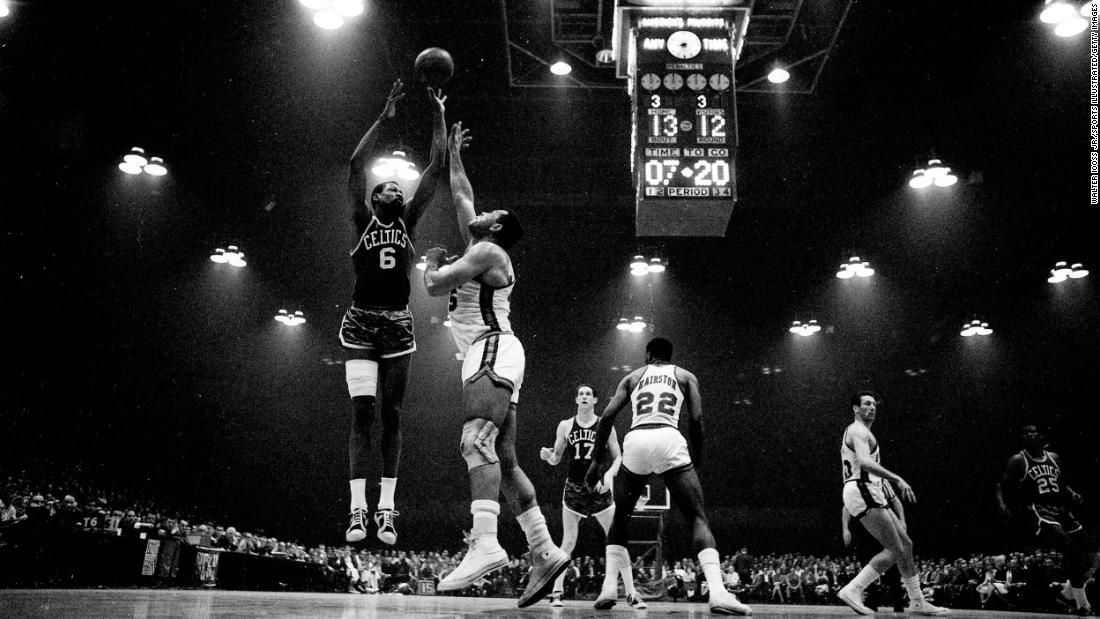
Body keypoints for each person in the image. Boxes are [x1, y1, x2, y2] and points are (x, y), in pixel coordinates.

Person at [422, 121, 570, 608]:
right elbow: (461, 192)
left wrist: (430, 260)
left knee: (475, 440)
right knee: (504, 462)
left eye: (489, 213)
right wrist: (451, 148)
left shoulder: (487, 249)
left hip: (491, 346)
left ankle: (485, 541)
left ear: (496, 228)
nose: (479, 211)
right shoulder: (481, 243)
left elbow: (435, 285)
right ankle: (545, 551)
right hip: (495, 352)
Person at [340, 79, 449, 545]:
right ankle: (357, 511)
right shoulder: (363, 221)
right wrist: (382, 120)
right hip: (361, 321)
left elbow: (436, 167)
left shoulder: (409, 221)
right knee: (362, 413)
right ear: (374, 199)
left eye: (397, 188)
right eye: (385, 187)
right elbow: (355, 163)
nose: (394, 188)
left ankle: (386, 510)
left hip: (399, 323)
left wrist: (438, 115)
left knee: (394, 413)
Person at [584, 337, 752, 614]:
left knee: (621, 517)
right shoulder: (685, 375)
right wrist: (695, 458)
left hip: (637, 439)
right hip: (669, 437)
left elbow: (606, 417)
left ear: (648, 355)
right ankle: (719, 593)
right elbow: (696, 419)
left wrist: (595, 462)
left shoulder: (633, 376)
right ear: (670, 357)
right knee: (697, 517)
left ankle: (608, 588)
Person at [836, 391, 948, 615]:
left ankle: (917, 601)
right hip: (861, 487)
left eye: (874, 404)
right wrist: (897, 478)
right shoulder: (857, 430)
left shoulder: (864, 431)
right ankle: (853, 589)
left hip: (866, 489)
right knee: (894, 548)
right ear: (855, 409)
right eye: (866, 404)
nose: (872, 407)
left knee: (906, 545)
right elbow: (865, 464)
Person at [539, 384, 644, 608]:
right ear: (576, 399)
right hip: (575, 487)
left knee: (616, 540)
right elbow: (556, 458)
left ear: (595, 400)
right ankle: (556, 593)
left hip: (599, 486)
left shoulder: (605, 425)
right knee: (567, 542)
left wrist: (610, 476)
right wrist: (548, 455)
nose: (584, 397)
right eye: (581, 394)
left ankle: (632, 593)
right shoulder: (565, 425)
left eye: (589, 394)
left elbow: (618, 458)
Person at [996, 424, 1095, 615]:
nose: (1032, 434)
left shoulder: (1054, 457)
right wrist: (1001, 503)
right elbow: (1002, 483)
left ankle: (1066, 594)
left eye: (1035, 432)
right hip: (1039, 509)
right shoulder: (1018, 460)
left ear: (1041, 436)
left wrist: (1073, 493)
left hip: (1061, 509)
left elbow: (1062, 483)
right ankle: (1083, 605)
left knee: (1093, 557)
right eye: (1027, 432)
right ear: (1022, 437)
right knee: (1073, 554)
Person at [842, 479, 905, 612]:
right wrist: (845, 529)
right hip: (864, 530)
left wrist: (902, 521)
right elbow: (846, 507)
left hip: (882, 527)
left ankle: (898, 604)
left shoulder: (882, 481)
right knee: (866, 564)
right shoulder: (855, 484)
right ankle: (871, 602)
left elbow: (895, 501)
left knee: (892, 567)